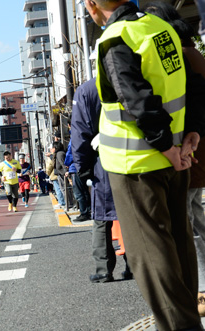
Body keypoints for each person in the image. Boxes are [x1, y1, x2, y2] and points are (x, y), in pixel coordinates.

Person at [85, 0, 203, 328]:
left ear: (91, 5)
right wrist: (191, 134)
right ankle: (187, 319)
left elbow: (135, 99)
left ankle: (181, 326)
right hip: (177, 159)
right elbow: (192, 85)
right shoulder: (159, 28)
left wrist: (166, 147)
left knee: (149, 255)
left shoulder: (115, 38)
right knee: (179, 244)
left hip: (135, 165)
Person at [142, 0, 205, 317]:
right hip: (193, 151)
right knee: (195, 222)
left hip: (189, 153)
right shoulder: (189, 51)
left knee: (190, 226)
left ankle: (199, 294)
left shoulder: (179, 56)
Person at [71, 78, 133, 283]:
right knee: (133, 214)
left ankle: (103, 270)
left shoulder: (87, 90)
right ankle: (136, 265)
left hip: (104, 161)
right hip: (137, 156)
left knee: (102, 217)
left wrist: (83, 168)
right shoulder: (134, 79)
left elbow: (80, 133)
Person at [65, 125, 91, 222]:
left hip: (75, 167)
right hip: (84, 166)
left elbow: (70, 153)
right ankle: (88, 211)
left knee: (79, 193)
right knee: (85, 191)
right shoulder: (83, 133)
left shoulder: (74, 137)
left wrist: (66, 163)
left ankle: (84, 213)